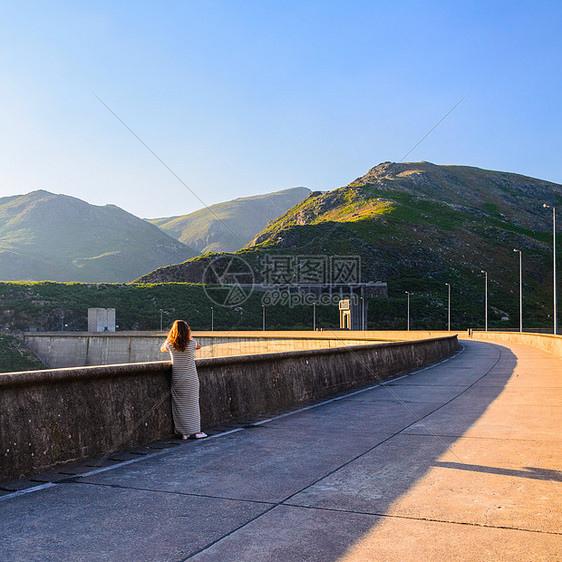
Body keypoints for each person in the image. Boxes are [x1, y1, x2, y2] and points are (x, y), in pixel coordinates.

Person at [161, 320, 207, 440]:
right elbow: (199, 346)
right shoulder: (191, 343)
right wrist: (188, 336)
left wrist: (170, 337)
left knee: (179, 406)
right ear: (187, 330)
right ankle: (196, 432)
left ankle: (184, 433)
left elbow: (162, 348)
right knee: (193, 405)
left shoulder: (170, 344)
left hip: (177, 378)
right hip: (191, 378)